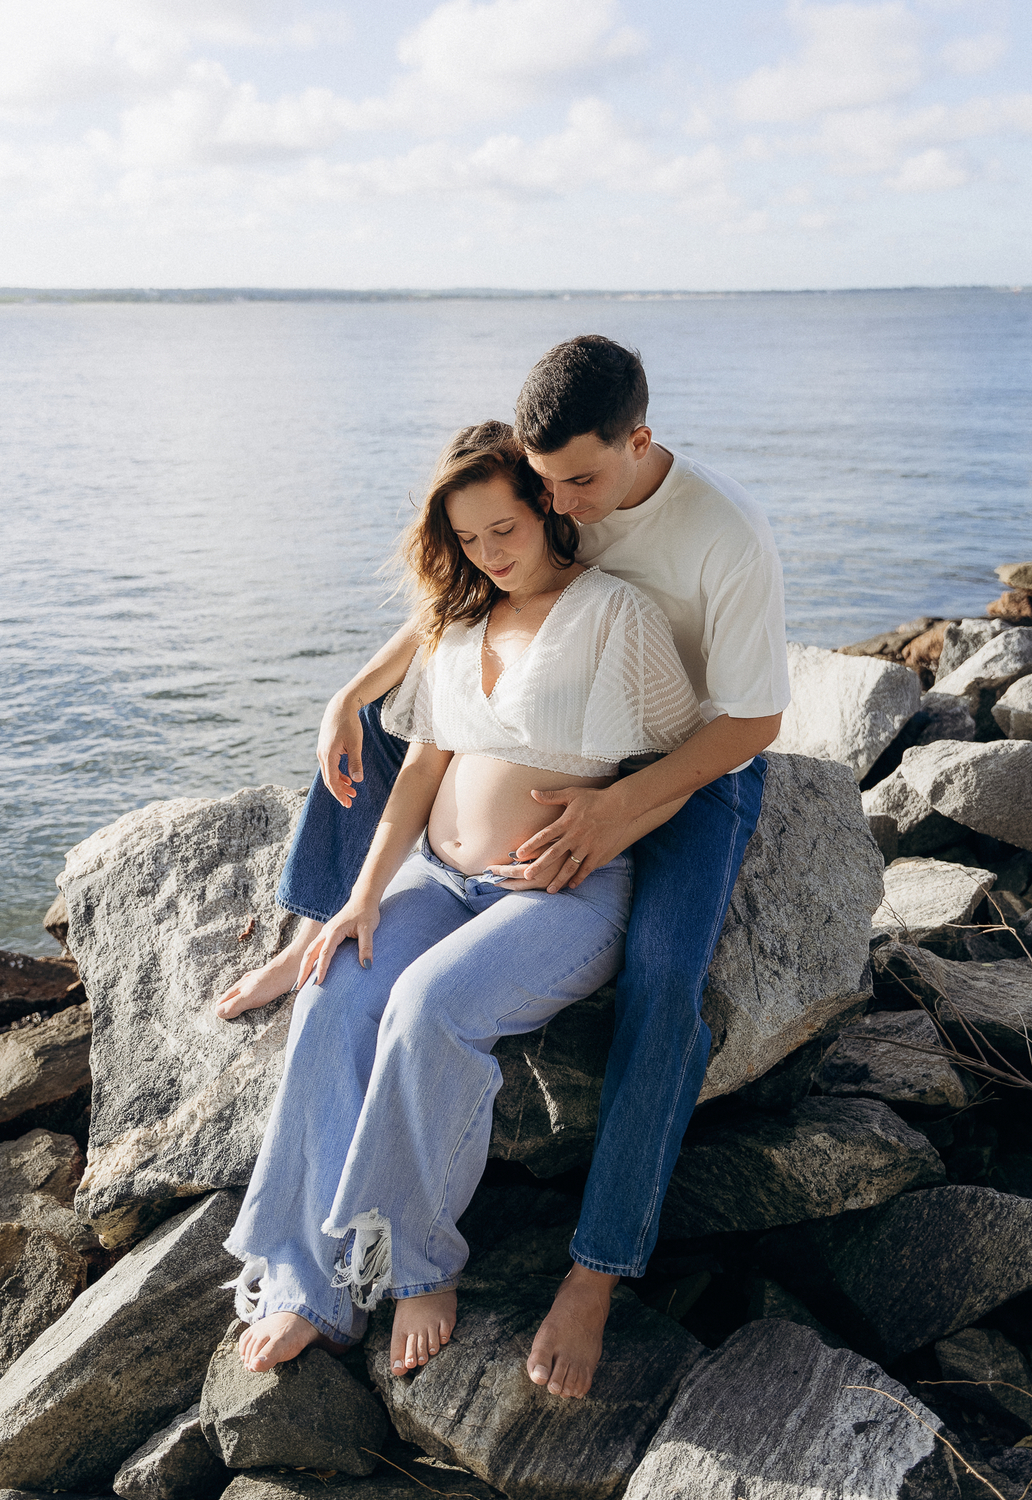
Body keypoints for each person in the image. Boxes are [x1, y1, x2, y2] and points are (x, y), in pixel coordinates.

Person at [224, 335, 790, 1400]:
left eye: (572, 486)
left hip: (690, 769)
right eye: (544, 485)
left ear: (637, 445)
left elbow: (741, 720)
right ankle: (307, 1265)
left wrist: (619, 810)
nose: (561, 503)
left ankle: (587, 1270)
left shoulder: (712, 540)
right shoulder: (514, 527)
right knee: (342, 968)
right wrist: (350, 694)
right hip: (465, 845)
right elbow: (454, 611)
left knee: (659, 991)